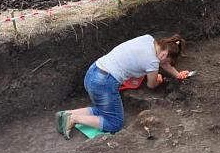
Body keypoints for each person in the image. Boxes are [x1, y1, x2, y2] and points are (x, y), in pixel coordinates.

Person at [56, 34, 188, 139]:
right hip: (104, 83)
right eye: (167, 61)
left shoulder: (148, 40)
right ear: (164, 55)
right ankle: (74, 119)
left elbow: (163, 63)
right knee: (115, 123)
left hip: (93, 72)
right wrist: (157, 78)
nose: (164, 64)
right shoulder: (152, 62)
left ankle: (66, 114)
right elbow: (151, 85)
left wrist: (177, 74)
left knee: (105, 111)